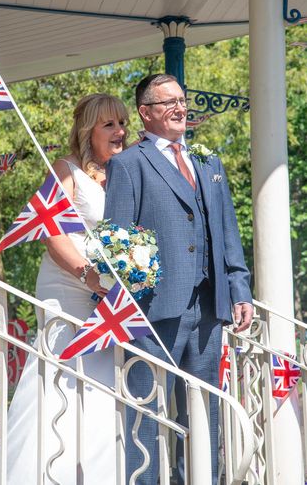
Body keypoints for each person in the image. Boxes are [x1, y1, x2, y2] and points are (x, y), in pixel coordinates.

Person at [104, 74, 254, 485]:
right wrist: (135, 293)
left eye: (182, 100)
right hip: (154, 312)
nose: (179, 107)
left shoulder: (208, 162)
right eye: (168, 101)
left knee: (205, 414)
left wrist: (239, 288)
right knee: (147, 417)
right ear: (145, 112)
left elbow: (227, 232)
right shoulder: (128, 164)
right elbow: (117, 241)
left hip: (209, 308)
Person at [0, 93, 129, 485]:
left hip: (109, 295)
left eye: (122, 123)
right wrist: (88, 275)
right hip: (69, 287)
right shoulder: (66, 169)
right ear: (89, 131)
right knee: (64, 373)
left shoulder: (125, 172)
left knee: (104, 380)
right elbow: (51, 232)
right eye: (110, 125)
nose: (121, 131)